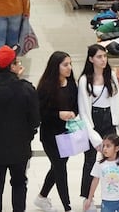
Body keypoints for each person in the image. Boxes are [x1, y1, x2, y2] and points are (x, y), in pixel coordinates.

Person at [0, 45, 41, 212]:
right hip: (19, 148)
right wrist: (27, 136)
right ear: (12, 66)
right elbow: (35, 120)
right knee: (19, 184)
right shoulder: (26, 89)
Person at [78, 44, 119, 205]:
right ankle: (88, 198)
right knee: (90, 160)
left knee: (113, 159)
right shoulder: (84, 80)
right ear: (91, 59)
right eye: (99, 57)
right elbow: (84, 111)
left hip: (109, 119)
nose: (103, 60)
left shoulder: (111, 76)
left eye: (105, 56)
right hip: (93, 119)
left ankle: (115, 194)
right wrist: (93, 136)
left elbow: (116, 104)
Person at [34, 51, 77, 212]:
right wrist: (58, 114)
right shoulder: (45, 87)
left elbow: (76, 105)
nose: (69, 68)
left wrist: (74, 113)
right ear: (56, 66)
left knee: (58, 166)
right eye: (65, 65)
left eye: (70, 64)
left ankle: (42, 197)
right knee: (60, 168)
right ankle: (67, 206)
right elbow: (40, 113)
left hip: (68, 134)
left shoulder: (71, 84)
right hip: (50, 135)